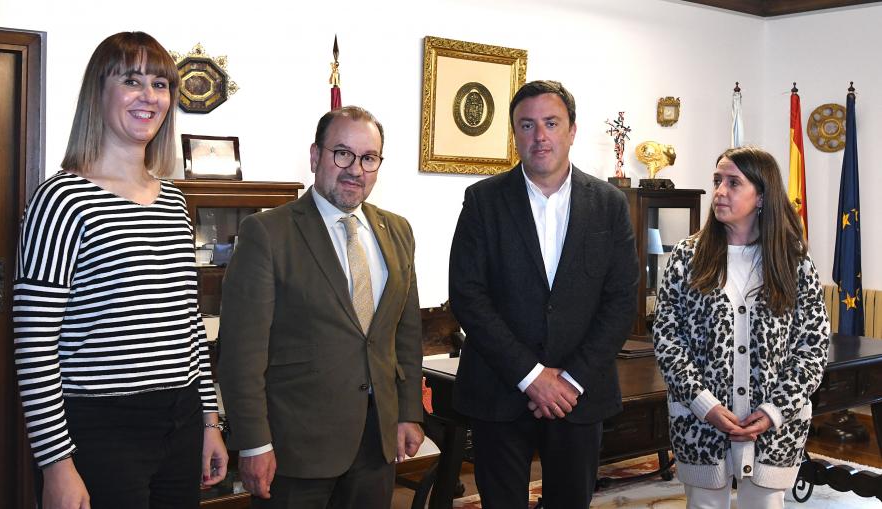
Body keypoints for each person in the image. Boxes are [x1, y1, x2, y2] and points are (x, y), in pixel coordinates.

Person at [13, 32, 227, 509]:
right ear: (99, 92)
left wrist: (209, 422)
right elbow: (34, 346)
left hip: (180, 419)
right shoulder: (61, 200)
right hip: (98, 429)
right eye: (131, 81)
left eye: (160, 84)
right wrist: (56, 464)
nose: (148, 96)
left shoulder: (173, 202)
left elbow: (189, 325)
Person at [217, 106, 424, 509]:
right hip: (296, 449)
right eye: (342, 153)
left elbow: (406, 334)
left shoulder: (397, 231)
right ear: (315, 156)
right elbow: (242, 352)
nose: (355, 170)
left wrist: (408, 412)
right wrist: (254, 443)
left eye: (369, 158)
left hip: (376, 442)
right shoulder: (267, 232)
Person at [449, 80, 639, 508]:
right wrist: (532, 376)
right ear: (514, 134)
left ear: (572, 130)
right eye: (527, 125)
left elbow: (621, 300)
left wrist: (569, 381)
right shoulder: (482, 201)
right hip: (500, 390)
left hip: (579, 395)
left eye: (551, 123)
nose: (539, 136)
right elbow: (467, 296)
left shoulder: (610, 204)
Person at [653, 146, 830, 509]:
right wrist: (705, 405)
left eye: (733, 183)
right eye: (717, 180)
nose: (720, 191)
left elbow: (812, 347)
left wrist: (774, 410)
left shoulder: (792, 260)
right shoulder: (687, 256)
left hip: (776, 430)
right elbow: (668, 340)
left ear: (761, 195)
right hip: (700, 425)